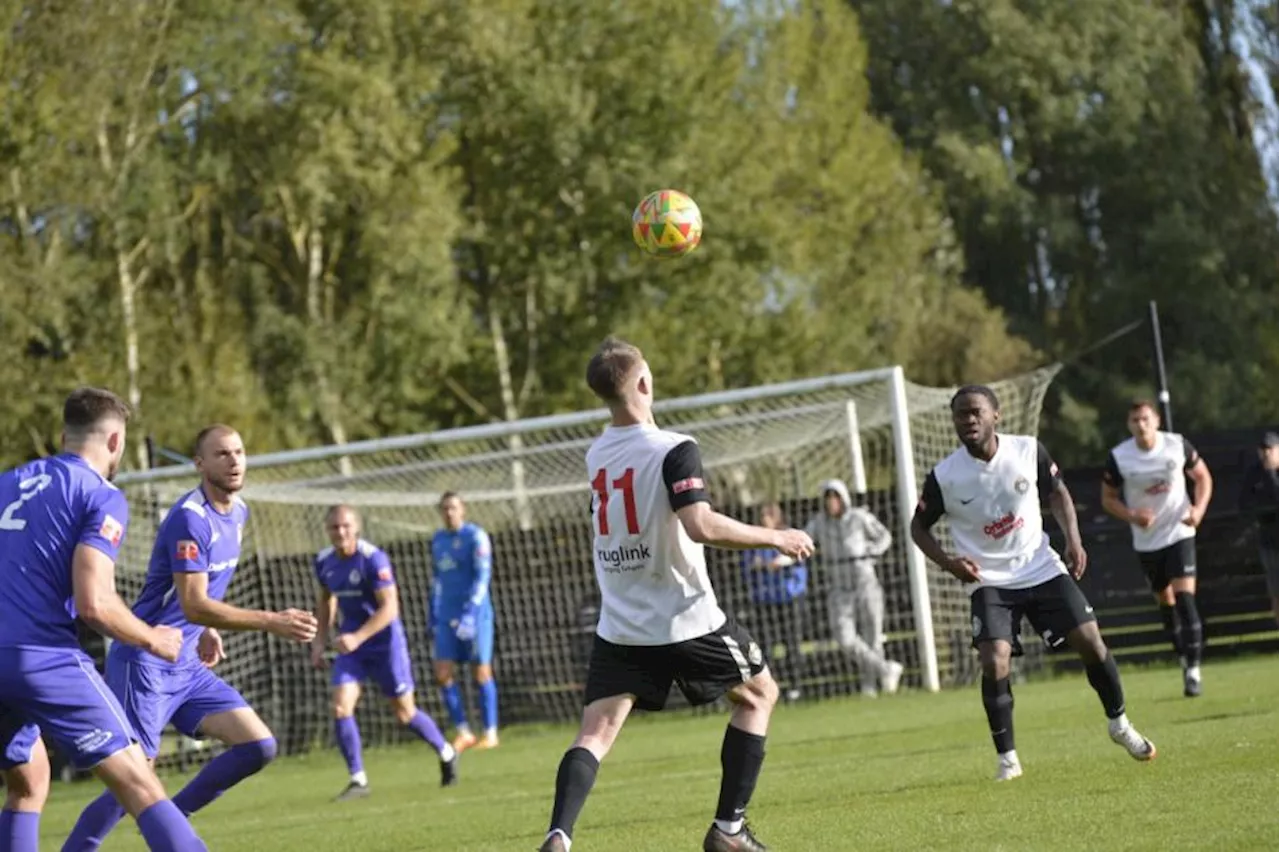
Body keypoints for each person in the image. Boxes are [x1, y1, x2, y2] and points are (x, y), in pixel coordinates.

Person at [538, 337, 814, 852]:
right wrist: (777, 535)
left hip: (620, 623)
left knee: (595, 734)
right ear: (644, 383)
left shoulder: (596, 453)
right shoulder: (674, 449)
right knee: (760, 694)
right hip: (685, 617)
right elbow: (701, 524)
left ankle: (559, 835)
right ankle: (728, 831)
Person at [63, 425, 318, 851]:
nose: (234, 460)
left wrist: (208, 628)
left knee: (258, 744)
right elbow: (193, 602)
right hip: (145, 661)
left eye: (238, 451)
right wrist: (270, 620)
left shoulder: (238, 513)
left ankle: (173, 818)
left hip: (186, 665)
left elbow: (198, 597)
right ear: (199, 464)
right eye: (221, 454)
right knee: (134, 776)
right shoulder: (189, 518)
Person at [910, 385, 1156, 782]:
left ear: (996, 416)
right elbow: (917, 528)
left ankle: (1119, 723)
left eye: (976, 412)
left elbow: (1058, 494)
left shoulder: (1027, 451)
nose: (968, 420)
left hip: (1040, 566)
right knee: (994, 660)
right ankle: (1007, 759)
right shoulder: (945, 476)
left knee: (1092, 641)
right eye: (960, 415)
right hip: (988, 580)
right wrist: (949, 563)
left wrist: (1073, 540)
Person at [0, 388, 208, 852]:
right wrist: (155, 639)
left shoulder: (6, 483)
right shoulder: (100, 494)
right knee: (140, 781)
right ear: (116, 441)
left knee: (28, 782)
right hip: (41, 658)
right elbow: (94, 602)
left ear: (62, 435)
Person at [311, 505, 458, 800]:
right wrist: (319, 641)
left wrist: (359, 636)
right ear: (327, 531)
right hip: (352, 647)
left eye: (346, 526)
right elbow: (326, 601)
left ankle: (446, 751)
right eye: (334, 527)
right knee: (341, 707)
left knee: (405, 714)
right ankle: (358, 779)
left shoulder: (372, 559)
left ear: (357, 528)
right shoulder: (324, 561)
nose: (340, 532)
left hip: (384, 644)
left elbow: (390, 608)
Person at [1101, 400, 1214, 697]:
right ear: (1129, 425)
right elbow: (1108, 498)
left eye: (1146, 419)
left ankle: (1193, 671)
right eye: (1135, 420)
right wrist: (1133, 516)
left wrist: (1198, 510)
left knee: (1185, 598)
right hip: (1147, 541)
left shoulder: (1177, 445)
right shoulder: (1120, 456)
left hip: (1180, 531)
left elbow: (1203, 477)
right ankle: (1182, 653)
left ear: (1157, 420)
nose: (1141, 425)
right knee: (1165, 601)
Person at [803, 479, 903, 696]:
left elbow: (884, 536)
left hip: (865, 582)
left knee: (873, 635)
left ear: (843, 498)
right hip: (839, 587)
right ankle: (886, 668)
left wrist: (873, 550)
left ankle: (871, 686)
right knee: (845, 638)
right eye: (827, 498)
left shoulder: (859, 517)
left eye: (835, 497)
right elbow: (804, 541)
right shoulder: (818, 523)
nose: (831, 503)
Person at [431, 492, 499, 752]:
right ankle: (464, 732)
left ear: (463, 510)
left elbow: (483, 575)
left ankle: (490, 733)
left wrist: (471, 611)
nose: (449, 513)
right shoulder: (438, 541)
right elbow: (437, 579)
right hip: (447, 616)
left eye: (454, 508)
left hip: (476, 615)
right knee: (443, 672)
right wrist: (433, 613)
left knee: (481, 671)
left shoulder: (475, 537)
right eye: (445, 508)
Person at [740, 502, 809, 701]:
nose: (764, 518)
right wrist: (758, 566)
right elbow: (748, 564)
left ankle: (795, 686)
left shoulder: (788, 536)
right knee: (765, 646)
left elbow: (799, 557)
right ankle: (768, 687)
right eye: (762, 514)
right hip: (765, 600)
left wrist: (779, 563)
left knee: (791, 642)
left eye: (768, 514)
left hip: (788, 597)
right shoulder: (756, 538)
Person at [1238, 432, 1280, 641]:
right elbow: (1245, 504)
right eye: (1262, 450)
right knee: (1277, 593)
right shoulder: (1253, 474)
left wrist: (1272, 475)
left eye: (1270, 449)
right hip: (1271, 543)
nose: (1266, 454)